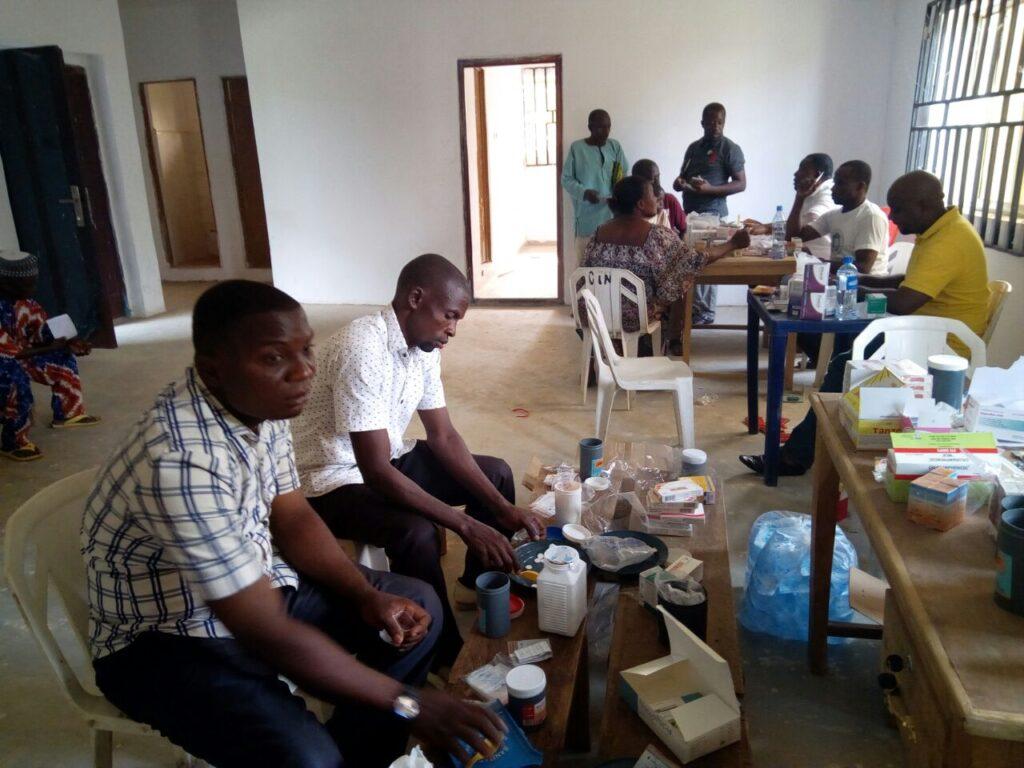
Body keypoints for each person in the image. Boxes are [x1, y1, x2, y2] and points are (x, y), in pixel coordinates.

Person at [82, 280, 507, 768]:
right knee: (308, 755)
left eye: (305, 350)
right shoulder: (180, 460)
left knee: (414, 608)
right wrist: (409, 703)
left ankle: (360, 752)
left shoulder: (262, 404)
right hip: (165, 642)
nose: (303, 371)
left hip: (256, 584)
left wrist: (367, 595)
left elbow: (292, 514)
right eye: (273, 358)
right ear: (212, 370)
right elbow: (267, 633)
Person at [291, 254, 543, 670]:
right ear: (415, 298)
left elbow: (442, 436)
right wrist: (465, 524)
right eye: (448, 316)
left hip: (386, 454)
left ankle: (472, 584)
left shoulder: (426, 346)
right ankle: (440, 653)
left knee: (495, 473)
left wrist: (500, 510)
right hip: (329, 477)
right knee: (416, 532)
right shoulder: (363, 346)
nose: (452, 330)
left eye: (457, 320)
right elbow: (373, 471)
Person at [739, 171, 990, 477]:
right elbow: (907, 282)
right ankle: (814, 445)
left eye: (899, 209)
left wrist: (857, 287)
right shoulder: (939, 231)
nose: (893, 217)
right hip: (923, 333)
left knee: (846, 366)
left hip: (941, 350)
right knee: (844, 355)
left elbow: (904, 300)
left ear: (923, 206)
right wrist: (860, 280)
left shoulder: (948, 241)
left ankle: (797, 456)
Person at [579, 175, 750, 349]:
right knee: (676, 287)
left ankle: (605, 355)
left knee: (667, 281)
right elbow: (694, 260)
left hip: (594, 316)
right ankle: (666, 343)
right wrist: (732, 244)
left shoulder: (598, 233)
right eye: (653, 195)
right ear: (640, 204)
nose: (658, 198)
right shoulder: (657, 235)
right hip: (632, 320)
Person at [1, 249, 99, 461]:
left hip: (20, 355)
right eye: (27, 284)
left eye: (33, 282)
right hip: (5, 363)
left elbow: (41, 332)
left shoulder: (27, 304)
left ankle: (68, 413)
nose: (33, 288)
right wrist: (51, 346)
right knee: (15, 378)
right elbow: (10, 354)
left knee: (63, 358)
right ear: (5, 283)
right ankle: (13, 441)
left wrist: (70, 343)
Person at [673, 102, 747, 325]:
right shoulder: (693, 148)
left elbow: (741, 184)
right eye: (711, 121)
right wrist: (680, 183)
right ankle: (693, 309)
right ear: (702, 122)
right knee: (692, 261)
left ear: (724, 123)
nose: (715, 126)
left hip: (714, 216)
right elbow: (683, 177)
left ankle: (705, 311)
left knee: (707, 260)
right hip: (690, 214)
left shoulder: (730, 148)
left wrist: (710, 190)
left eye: (720, 122)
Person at [790, 160, 890, 276]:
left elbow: (863, 268)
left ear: (860, 187)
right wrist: (800, 198)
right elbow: (795, 236)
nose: (833, 189)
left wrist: (817, 262)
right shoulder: (834, 215)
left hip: (866, 288)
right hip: (839, 283)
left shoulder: (871, 217)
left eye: (840, 183)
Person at [561, 109, 629, 269]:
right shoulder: (577, 149)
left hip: (612, 219)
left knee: (611, 271)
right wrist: (584, 193)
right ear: (590, 127)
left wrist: (619, 195)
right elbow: (566, 179)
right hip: (587, 222)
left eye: (608, 127)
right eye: (600, 128)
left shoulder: (614, 146)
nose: (605, 132)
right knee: (586, 270)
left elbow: (622, 173)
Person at [744, 153, 837, 261]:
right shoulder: (817, 191)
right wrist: (767, 227)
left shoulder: (824, 201)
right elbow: (799, 222)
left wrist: (799, 198)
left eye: (802, 170)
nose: (796, 174)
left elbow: (792, 235)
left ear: (816, 175)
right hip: (805, 256)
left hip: (814, 262)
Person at [632, 159, 686, 236]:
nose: (657, 183)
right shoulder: (631, 207)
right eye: (650, 180)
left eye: (658, 177)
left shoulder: (669, 200)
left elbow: (685, 229)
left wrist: (677, 242)